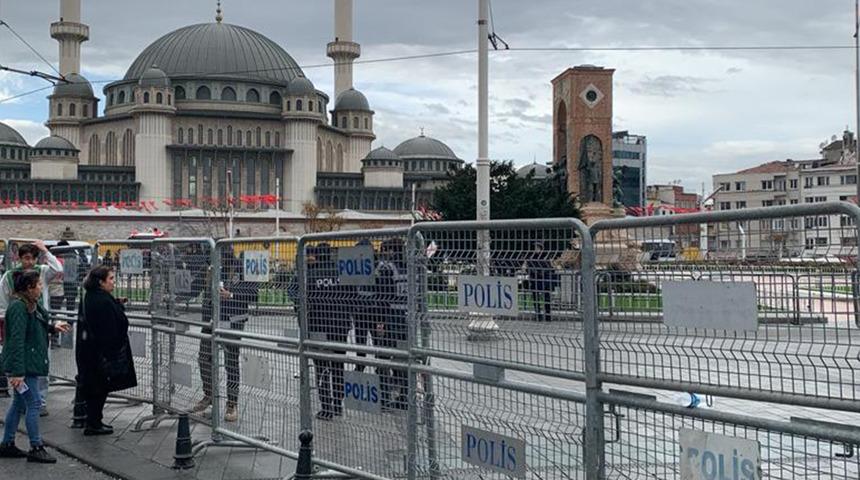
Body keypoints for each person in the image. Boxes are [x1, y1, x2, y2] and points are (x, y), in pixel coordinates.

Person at [0, 271, 71, 462]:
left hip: (28, 363)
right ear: (29, 288)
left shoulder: (32, 305)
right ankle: (36, 446)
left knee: (19, 403)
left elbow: (38, 323)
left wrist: (53, 326)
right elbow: (16, 340)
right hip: (24, 365)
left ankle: (7, 443)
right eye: (38, 284)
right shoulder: (18, 308)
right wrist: (17, 372)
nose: (41, 287)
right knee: (33, 404)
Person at [193, 249, 259, 422]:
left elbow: (254, 295)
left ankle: (232, 402)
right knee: (203, 358)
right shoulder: (210, 268)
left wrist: (231, 295)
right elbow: (193, 288)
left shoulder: (241, 268)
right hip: (211, 321)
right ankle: (209, 395)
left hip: (233, 321)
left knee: (231, 362)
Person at [0, 241, 62, 410]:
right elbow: (3, 302)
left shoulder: (41, 271)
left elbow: (58, 269)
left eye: (32, 258)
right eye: (25, 258)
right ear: (19, 258)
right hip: (21, 323)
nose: (29, 262)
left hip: (39, 324)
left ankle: (39, 401)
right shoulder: (10, 276)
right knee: (20, 359)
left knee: (40, 362)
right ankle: (22, 399)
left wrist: (44, 250)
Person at [76, 266, 138, 436]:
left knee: (98, 387)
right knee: (99, 388)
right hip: (101, 353)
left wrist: (116, 304)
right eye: (110, 279)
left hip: (92, 351)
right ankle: (94, 423)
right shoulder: (101, 300)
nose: (113, 282)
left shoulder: (93, 297)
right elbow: (112, 325)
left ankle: (94, 420)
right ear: (100, 282)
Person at [306, 243, 351, 420]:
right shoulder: (342, 272)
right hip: (340, 325)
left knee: (322, 367)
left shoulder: (311, 274)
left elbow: (306, 298)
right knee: (338, 366)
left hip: (319, 325)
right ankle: (338, 404)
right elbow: (350, 296)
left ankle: (326, 407)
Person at [375, 238, 409, 411]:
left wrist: (380, 321)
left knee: (383, 357)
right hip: (410, 318)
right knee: (404, 359)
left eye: (385, 249)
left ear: (391, 251)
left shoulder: (387, 268)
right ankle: (404, 396)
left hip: (391, 317)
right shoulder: (412, 267)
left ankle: (385, 398)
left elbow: (382, 296)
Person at [351, 239, 377, 372]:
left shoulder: (376, 267)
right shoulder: (355, 268)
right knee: (361, 341)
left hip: (374, 311)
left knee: (378, 341)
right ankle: (361, 365)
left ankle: (380, 368)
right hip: (360, 311)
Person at [526, 242, 556, 322]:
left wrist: (541, 272)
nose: (536, 249)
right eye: (535, 248)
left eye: (538, 248)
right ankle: (538, 315)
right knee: (536, 299)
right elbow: (528, 269)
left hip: (544, 280)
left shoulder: (545, 258)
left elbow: (549, 269)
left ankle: (548, 315)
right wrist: (537, 272)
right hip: (535, 280)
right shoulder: (531, 258)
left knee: (547, 298)